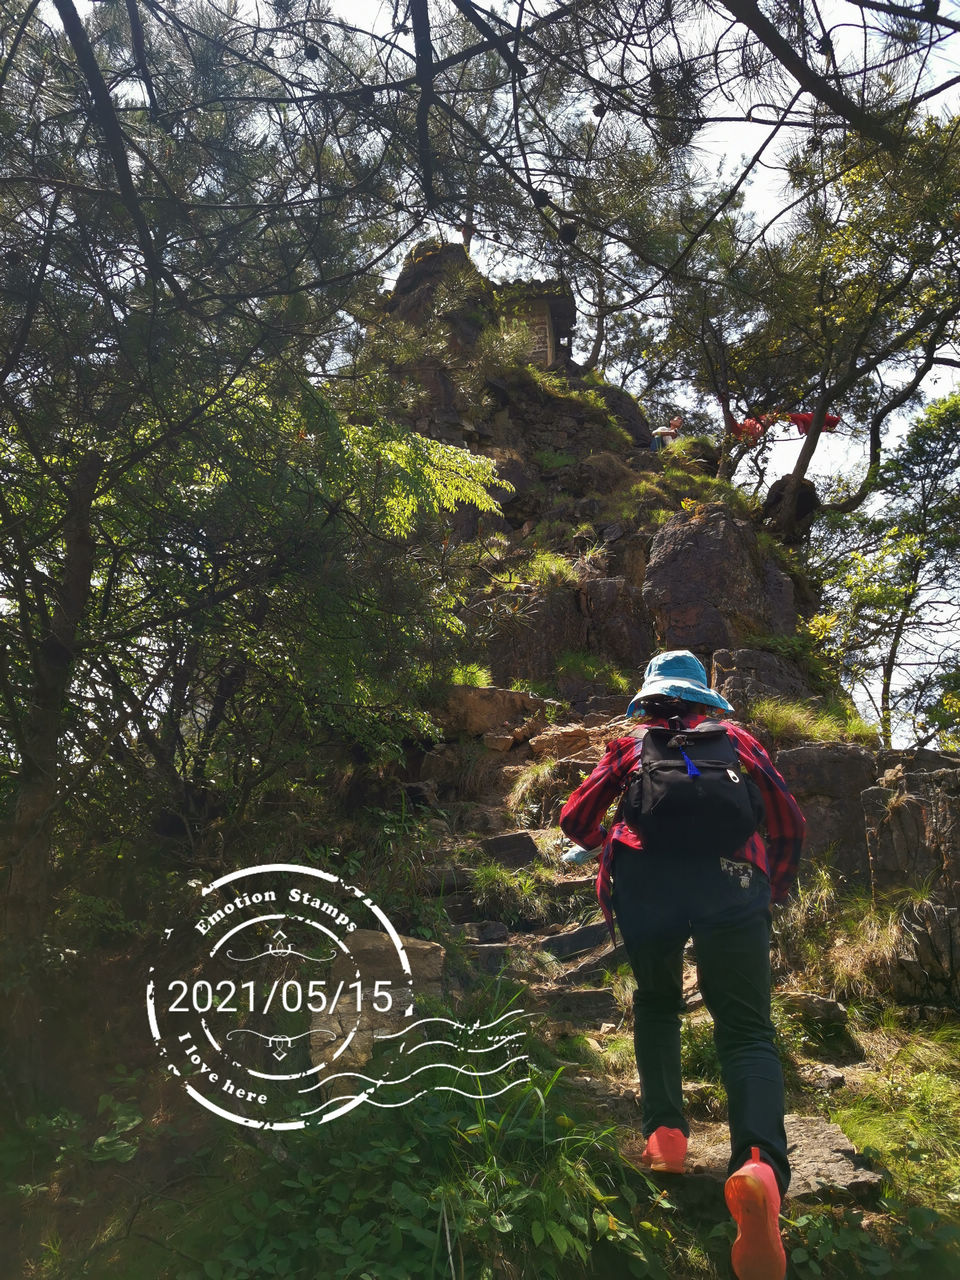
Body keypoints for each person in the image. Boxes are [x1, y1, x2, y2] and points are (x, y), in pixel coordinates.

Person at [559, 650, 805, 1280]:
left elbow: (575, 818)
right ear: (705, 699)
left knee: (658, 1004)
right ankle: (756, 1164)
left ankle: (667, 1139)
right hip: (734, 884)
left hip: (647, 885)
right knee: (747, 1029)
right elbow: (788, 821)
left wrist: (621, 841)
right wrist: (765, 887)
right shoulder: (739, 742)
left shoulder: (631, 746)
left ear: (649, 697)